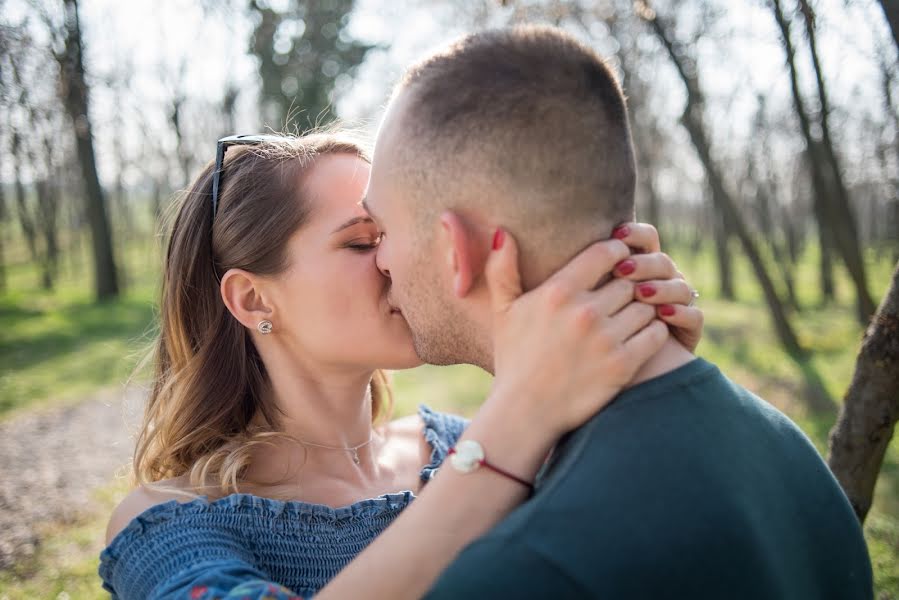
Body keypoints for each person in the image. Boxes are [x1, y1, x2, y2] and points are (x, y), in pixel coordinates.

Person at [322, 25, 872, 599]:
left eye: (379, 232)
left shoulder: (521, 572)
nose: (380, 261)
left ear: (458, 251)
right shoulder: (791, 455)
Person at [99, 130, 702, 598]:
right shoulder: (169, 527)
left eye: (396, 237)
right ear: (254, 299)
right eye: (362, 243)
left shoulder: (473, 449)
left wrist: (644, 359)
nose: (398, 263)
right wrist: (524, 411)